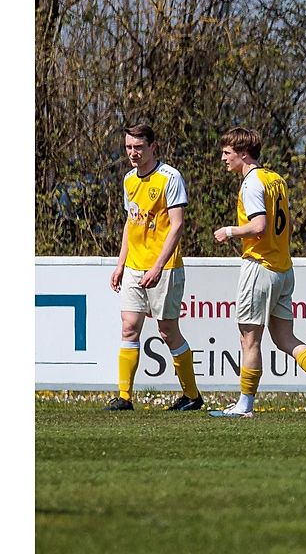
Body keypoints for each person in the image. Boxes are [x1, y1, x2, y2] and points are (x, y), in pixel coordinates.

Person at [210, 127, 306, 419]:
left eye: (227, 153)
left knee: (249, 339)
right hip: (283, 268)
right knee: (285, 339)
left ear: (243, 154)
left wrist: (229, 231)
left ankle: (244, 405)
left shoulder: (251, 183)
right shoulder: (275, 179)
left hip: (260, 267)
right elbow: (289, 224)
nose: (223, 158)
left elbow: (259, 226)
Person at [104, 123, 204, 412]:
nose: (132, 153)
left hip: (165, 267)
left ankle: (192, 395)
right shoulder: (128, 180)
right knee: (129, 327)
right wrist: (120, 263)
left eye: (138, 147)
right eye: (128, 147)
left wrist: (158, 266)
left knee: (167, 331)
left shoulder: (170, 178)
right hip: (134, 265)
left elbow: (177, 225)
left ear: (152, 147)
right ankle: (124, 397)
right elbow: (130, 222)